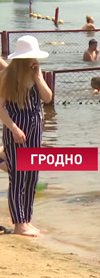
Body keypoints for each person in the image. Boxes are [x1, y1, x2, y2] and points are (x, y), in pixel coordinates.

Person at [0, 35, 52, 237]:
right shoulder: (8, 77)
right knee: (18, 177)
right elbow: (0, 108)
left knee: (32, 176)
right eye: (31, 59)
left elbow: (47, 98)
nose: (34, 62)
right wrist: (13, 128)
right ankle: (19, 223)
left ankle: (27, 219)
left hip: (35, 126)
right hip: (16, 130)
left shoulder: (36, 74)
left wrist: (39, 77)